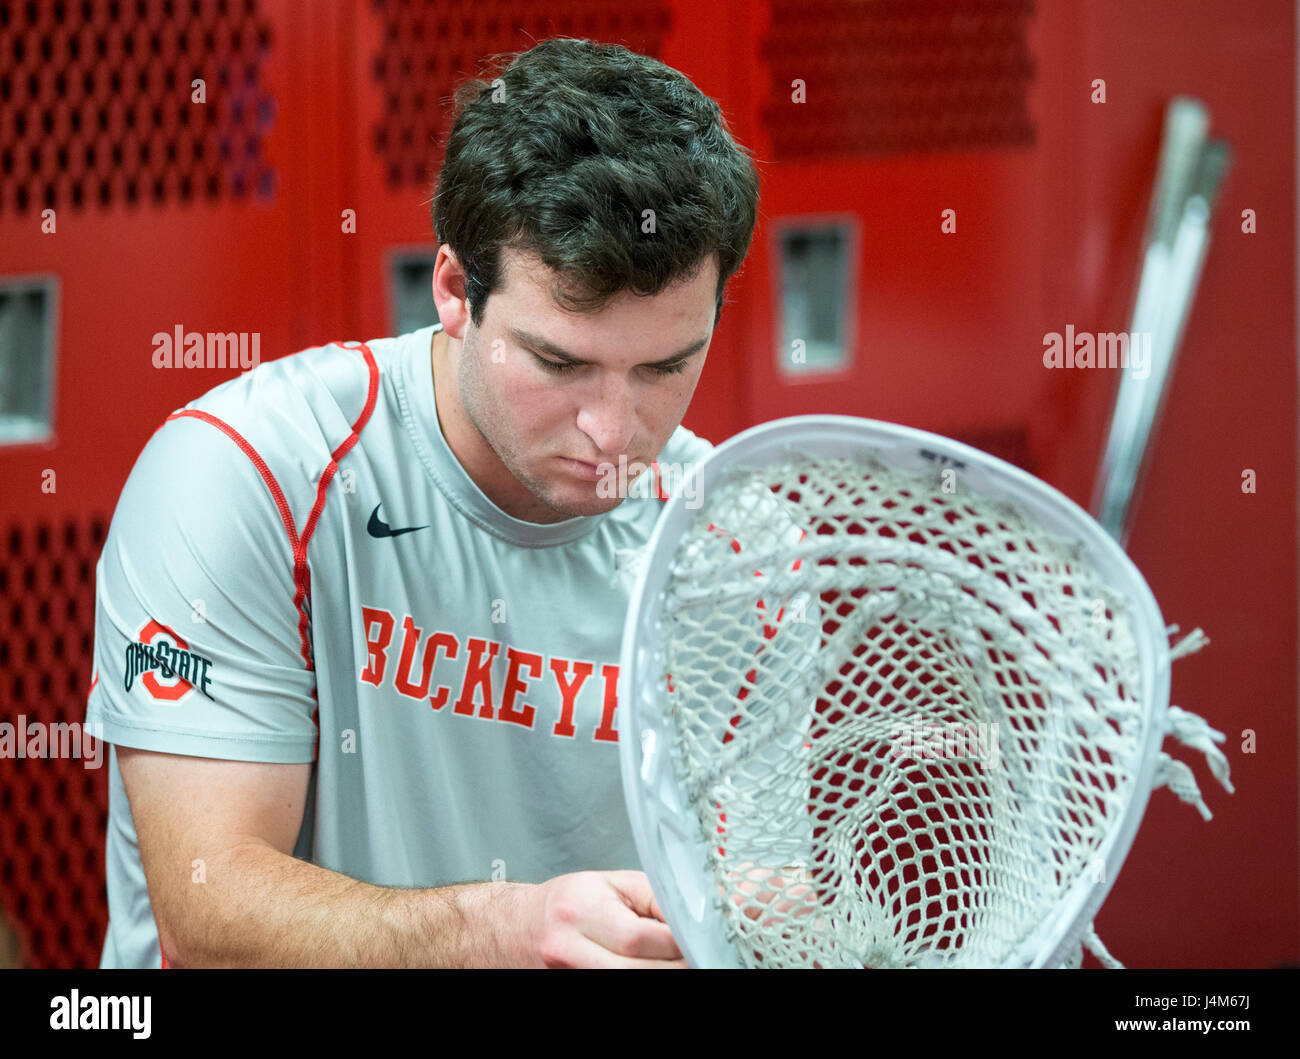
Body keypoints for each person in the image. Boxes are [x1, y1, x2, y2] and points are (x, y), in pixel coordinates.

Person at [85, 37, 760, 968]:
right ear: (453, 288)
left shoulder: (739, 544)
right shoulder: (243, 476)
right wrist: (507, 930)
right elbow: (208, 917)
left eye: (664, 367)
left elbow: (741, 901)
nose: (614, 431)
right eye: (559, 363)